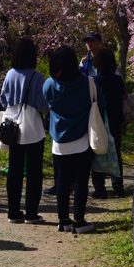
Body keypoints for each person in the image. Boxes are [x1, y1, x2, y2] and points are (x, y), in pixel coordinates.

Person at [44, 44, 106, 234]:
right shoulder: (88, 83)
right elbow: (101, 106)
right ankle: (79, 221)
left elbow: (47, 105)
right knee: (80, 180)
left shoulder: (48, 85)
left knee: (62, 180)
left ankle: (63, 221)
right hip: (82, 139)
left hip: (59, 141)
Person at [0, 38, 48, 224]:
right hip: (32, 127)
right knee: (34, 171)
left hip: (13, 125)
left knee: (15, 169)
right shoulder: (37, 77)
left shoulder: (10, 74)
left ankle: (13, 212)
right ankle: (32, 213)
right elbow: (42, 106)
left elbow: (3, 100)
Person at [91, 48, 125, 198]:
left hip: (99, 121)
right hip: (116, 120)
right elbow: (124, 97)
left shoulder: (94, 81)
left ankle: (100, 188)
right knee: (116, 152)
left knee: (97, 151)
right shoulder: (118, 80)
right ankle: (118, 186)